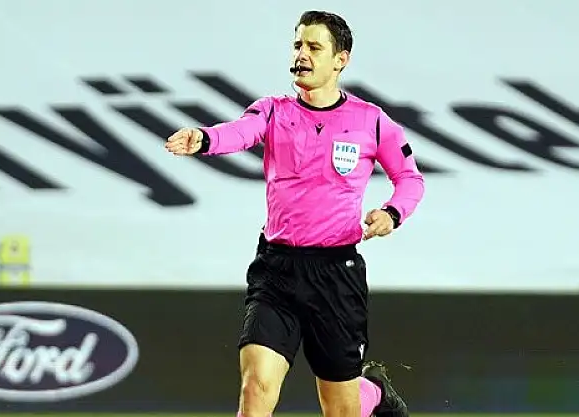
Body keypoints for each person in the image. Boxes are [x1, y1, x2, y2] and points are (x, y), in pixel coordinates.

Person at [165, 10, 424, 417]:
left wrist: (392, 213)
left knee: (341, 409)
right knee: (255, 389)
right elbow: (240, 131)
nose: (302, 54)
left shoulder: (371, 121)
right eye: (298, 45)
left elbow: (410, 179)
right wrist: (204, 138)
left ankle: (372, 392)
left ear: (341, 60)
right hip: (277, 270)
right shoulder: (273, 111)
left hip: (336, 275)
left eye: (315, 47)